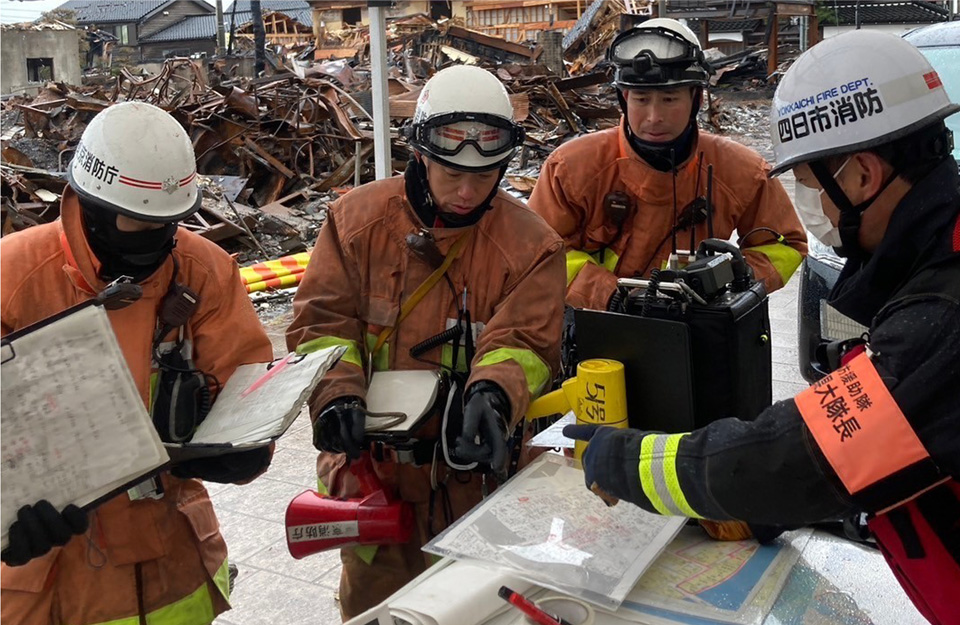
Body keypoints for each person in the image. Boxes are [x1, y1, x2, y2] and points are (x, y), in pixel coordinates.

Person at [565, 30, 960, 625]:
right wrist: (813, 503)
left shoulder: (956, 310)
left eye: (817, 187)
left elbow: (804, 457)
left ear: (864, 175)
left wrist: (626, 461)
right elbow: (899, 457)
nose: (814, 207)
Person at [285, 65, 565, 618]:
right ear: (420, 153)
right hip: (373, 484)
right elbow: (321, 322)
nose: (466, 191)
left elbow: (525, 341)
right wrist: (335, 393)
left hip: (477, 489)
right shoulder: (355, 221)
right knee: (377, 613)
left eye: (484, 177)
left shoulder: (533, 245)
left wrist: (494, 394)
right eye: (450, 171)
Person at [0, 101, 275, 624]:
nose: (157, 241)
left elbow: (244, 383)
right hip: (50, 587)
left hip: (173, 571)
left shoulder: (203, 271)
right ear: (93, 205)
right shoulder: (12, 278)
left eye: (168, 224)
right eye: (137, 223)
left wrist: (245, 444)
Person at [529, 18, 807, 311]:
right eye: (641, 98)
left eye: (669, 98)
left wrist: (733, 276)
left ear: (696, 99)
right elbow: (539, 253)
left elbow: (787, 245)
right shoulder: (572, 167)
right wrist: (611, 295)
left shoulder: (739, 170)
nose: (653, 116)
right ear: (624, 98)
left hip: (699, 328)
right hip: (595, 327)